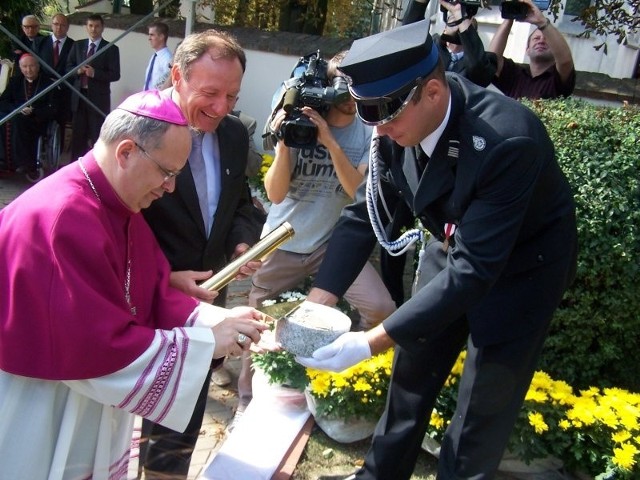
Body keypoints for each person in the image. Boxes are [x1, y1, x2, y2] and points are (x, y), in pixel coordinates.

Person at [296, 20, 578, 480]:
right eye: (371, 116)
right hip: (453, 248)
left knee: (480, 411)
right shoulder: (391, 125)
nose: (380, 131)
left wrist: (370, 342)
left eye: (387, 116)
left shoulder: (508, 139)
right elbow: (366, 212)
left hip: (521, 273)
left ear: (431, 91)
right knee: (411, 376)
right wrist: (318, 303)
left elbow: (477, 270)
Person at [0, 89, 267, 479]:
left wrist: (214, 320)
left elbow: (151, 290)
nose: (170, 187)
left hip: (87, 400)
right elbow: (93, 348)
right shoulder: (64, 218)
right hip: (44, 403)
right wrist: (210, 341)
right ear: (126, 152)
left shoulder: (116, 203)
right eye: (168, 172)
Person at [238, 50, 396, 428]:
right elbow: (274, 194)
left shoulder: (368, 129)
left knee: (381, 307)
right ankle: (247, 390)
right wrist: (286, 143)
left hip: (334, 245)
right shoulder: (298, 119)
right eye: (336, 80)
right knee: (257, 317)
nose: (342, 92)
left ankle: (347, 373)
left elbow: (358, 190)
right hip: (284, 240)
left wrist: (329, 141)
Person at [140, 29, 264, 479]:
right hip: (146, 300)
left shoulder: (233, 134)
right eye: (210, 93)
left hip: (208, 303)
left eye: (232, 95)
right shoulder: (139, 124)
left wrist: (243, 242)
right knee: (120, 416)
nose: (221, 108)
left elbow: (242, 202)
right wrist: (165, 277)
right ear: (177, 75)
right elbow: (116, 222)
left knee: (182, 413)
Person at [380, 0, 499, 306]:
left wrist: (464, 25)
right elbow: (401, 47)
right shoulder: (433, 52)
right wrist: (419, 5)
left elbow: (478, 70)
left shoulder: (472, 56)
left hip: (453, 158)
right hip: (416, 156)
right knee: (393, 229)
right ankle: (394, 300)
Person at [488, 0, 575, 99]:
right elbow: (492, 59)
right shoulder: (516, 76)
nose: (541, 41)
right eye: (536, 38)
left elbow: (565, 61)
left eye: (546, 40)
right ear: (527, 49)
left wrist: (542, 22)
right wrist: (509, 17)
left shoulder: (556, 79)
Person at [66, 14, 121, 161]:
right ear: (86, 27)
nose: (93, 29)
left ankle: (95, 168)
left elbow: (115, 75)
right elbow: (68, 69)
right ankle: (75, 167)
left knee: (97, 136)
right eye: (90, 26)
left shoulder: (111, 48)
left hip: (98, 100)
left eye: (97, 26)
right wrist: (78, 71)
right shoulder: (77, 46)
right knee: (78, 136)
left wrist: (95, 73)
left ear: (102, 28)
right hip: (79, 98)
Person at [0, 53, 59, 178]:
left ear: (38, 66)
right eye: (24, 66)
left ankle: (24, 163)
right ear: (20, 68)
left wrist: (34, 111)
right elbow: (3, 101)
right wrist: (17, 109)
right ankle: (2, 161)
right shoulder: (15, 82)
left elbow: (53, 108)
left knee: (18, 121)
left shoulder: (48, 83)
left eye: (31, 66)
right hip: (15, 117)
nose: (28, 70)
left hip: (37, 122)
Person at [36, 13, 75, 146]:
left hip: (63, 91)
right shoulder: (40, 42)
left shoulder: (74, 45)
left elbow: (73, 68)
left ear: (67, 27)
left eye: (62, 25)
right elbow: (35, 65)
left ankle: (57, 155)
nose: (59, 28)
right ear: (51, 25)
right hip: (42, 89)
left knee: (61, 121)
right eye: (56, 24)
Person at [144, 21, 172, 91]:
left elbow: (169, 83)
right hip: (148, 97)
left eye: (152, 35)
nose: (149, 38)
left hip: (157, 98)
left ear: (161, 37)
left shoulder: (167, 58)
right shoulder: (155, 56)